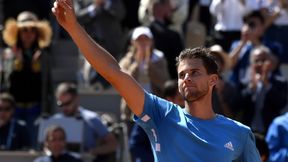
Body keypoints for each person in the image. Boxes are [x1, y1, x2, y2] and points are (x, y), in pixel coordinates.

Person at [51, 1, 261, 161]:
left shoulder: (239, 134)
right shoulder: (160, 114)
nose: (186, 78)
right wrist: (74, 28)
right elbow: (114, 73)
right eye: (181, 75)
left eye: (195, 72)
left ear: (213, 79)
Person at [1, 11, 53, 147]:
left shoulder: (44, 56)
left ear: (37, 33)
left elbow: (47, 85)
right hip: (12, 109)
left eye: (32, 30)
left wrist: (36, 68)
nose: (28, 34)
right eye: (24, 30)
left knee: (34, 145)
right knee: (12, 145)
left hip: (35, 109)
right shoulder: (9, 54)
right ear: (18, 32)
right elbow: (6, 83)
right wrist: (16, 65)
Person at [52, 82, 117, 162]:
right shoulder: (54, 121)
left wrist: (93, 151)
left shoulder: (91, 119)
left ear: (76, 99)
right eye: (61, 104)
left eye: (68, 103)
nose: (64, 107)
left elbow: (112, 144)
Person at [119, 26, 170, 122]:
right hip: (132, 111)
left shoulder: (159, 59)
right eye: (139, 40)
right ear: (133, 42)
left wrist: (149, 64)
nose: (143, 43)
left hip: (155, 109)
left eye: (146, 39)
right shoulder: (126, 61)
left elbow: (164, 83)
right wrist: (137, 64)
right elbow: (123, 83)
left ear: (151, 42)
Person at [129, 80, 184, 162]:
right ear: (169, 99)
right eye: (180, 100)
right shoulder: (150, 114)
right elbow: (135, 144)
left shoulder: (186, 118)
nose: (184, 104)